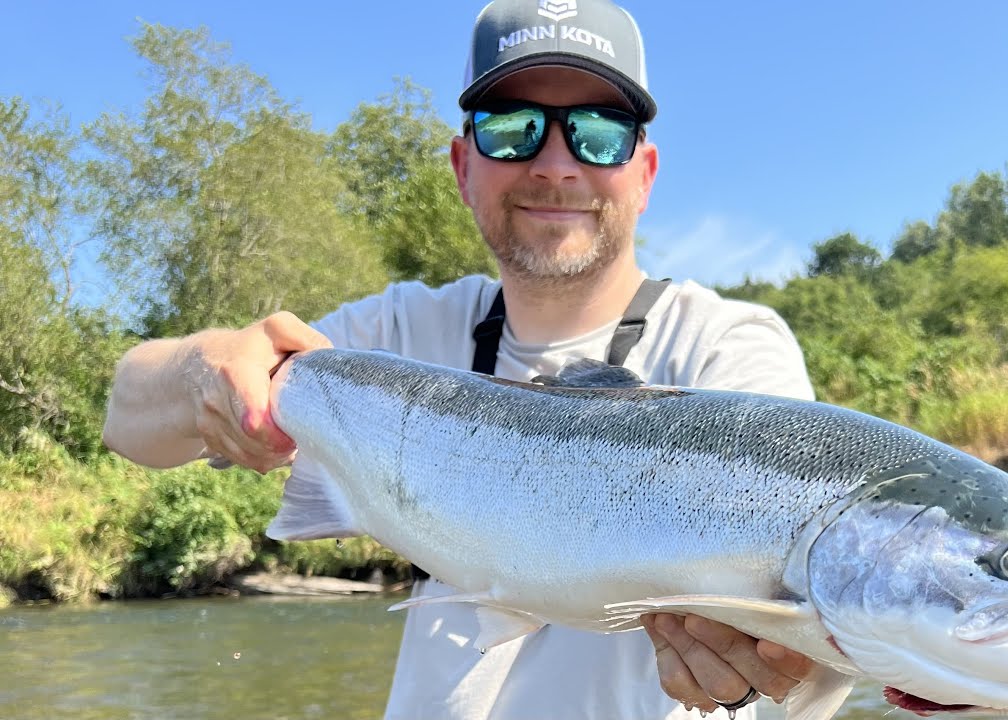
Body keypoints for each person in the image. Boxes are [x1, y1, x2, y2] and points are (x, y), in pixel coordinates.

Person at [102, 0, 817, 718]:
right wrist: (216, 365)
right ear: (461, 165)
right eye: (514, 129)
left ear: (645, 172)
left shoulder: (730, 347)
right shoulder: (400, 333)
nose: (557, 165)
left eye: (600, 133)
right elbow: (128, 413)